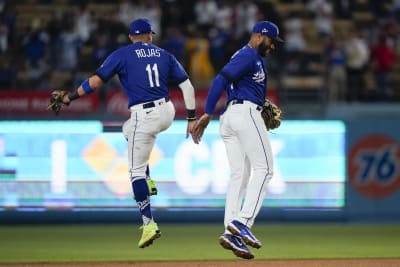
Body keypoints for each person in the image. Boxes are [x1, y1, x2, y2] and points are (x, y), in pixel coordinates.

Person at [55, 18, 197, 248]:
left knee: (134, 172)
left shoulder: (122, 54)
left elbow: (95, 82)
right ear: (150, 35)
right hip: (167, 111)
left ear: (131, 37)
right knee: (127, 129)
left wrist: (70, 97)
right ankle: (148, 181)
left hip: (145, 115)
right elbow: (187, 86)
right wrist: (191, 118)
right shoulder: (164, 54)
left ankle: (149, 223)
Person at [193, 21, 283, 259]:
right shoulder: (249, 55)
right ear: (259, 36)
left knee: (240, 175)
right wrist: (206, 112)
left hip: (232, 117)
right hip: (244, 113)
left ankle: (230, 232)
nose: (273, 46)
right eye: (272, 41)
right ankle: (243, 222)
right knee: (265, 170)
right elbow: (219, 80)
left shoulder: (250, 58)